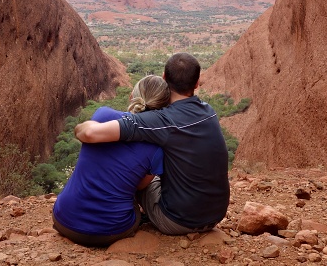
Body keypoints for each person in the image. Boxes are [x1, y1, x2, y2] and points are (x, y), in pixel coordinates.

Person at [75, 53, 230, 235]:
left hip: (178, 221)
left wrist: (83, 125)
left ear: (164, 78)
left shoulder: (161, 120)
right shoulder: (209, 111)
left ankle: (114, 214)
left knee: (139, 175)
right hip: (216, 215)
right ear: (197, 84)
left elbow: (89, 134)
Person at [52, 75, 170, 246]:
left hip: (64, 220)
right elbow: (139, 187)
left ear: (132, 97)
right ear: (164, 109)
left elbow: (85, 134)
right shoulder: (157, 148)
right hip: (109, 231)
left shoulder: (103, 115)